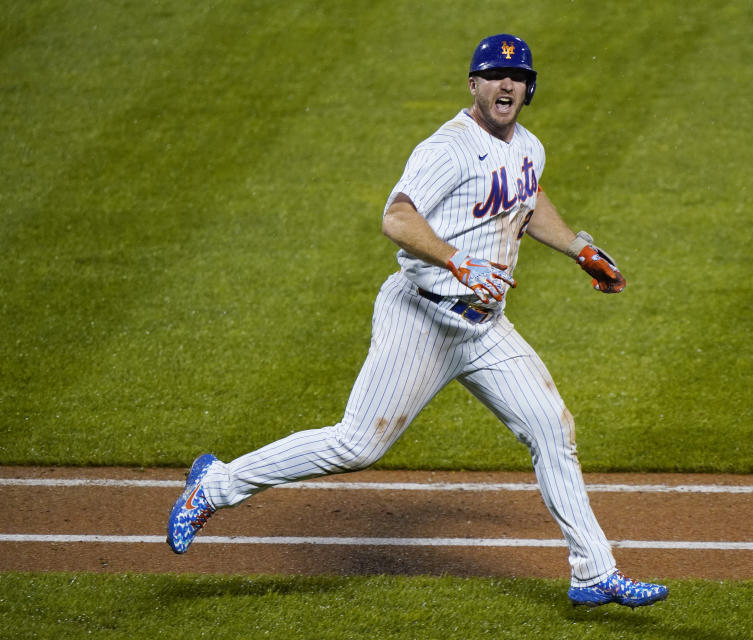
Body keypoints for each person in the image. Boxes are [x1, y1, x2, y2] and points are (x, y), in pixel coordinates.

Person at [166, 33, 669, 609]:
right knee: (356, 445)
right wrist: (459, 261)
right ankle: (214, 486)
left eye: (518, 77)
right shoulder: (447, 148)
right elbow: (397, 218)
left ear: (530, 88)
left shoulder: (528, 145)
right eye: (494, 75)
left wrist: (580, 249)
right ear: (474, 84)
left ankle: (593, 572)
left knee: (553, 430)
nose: (507, 85)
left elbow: (525, 199)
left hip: (483, 328)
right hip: (421, 320)